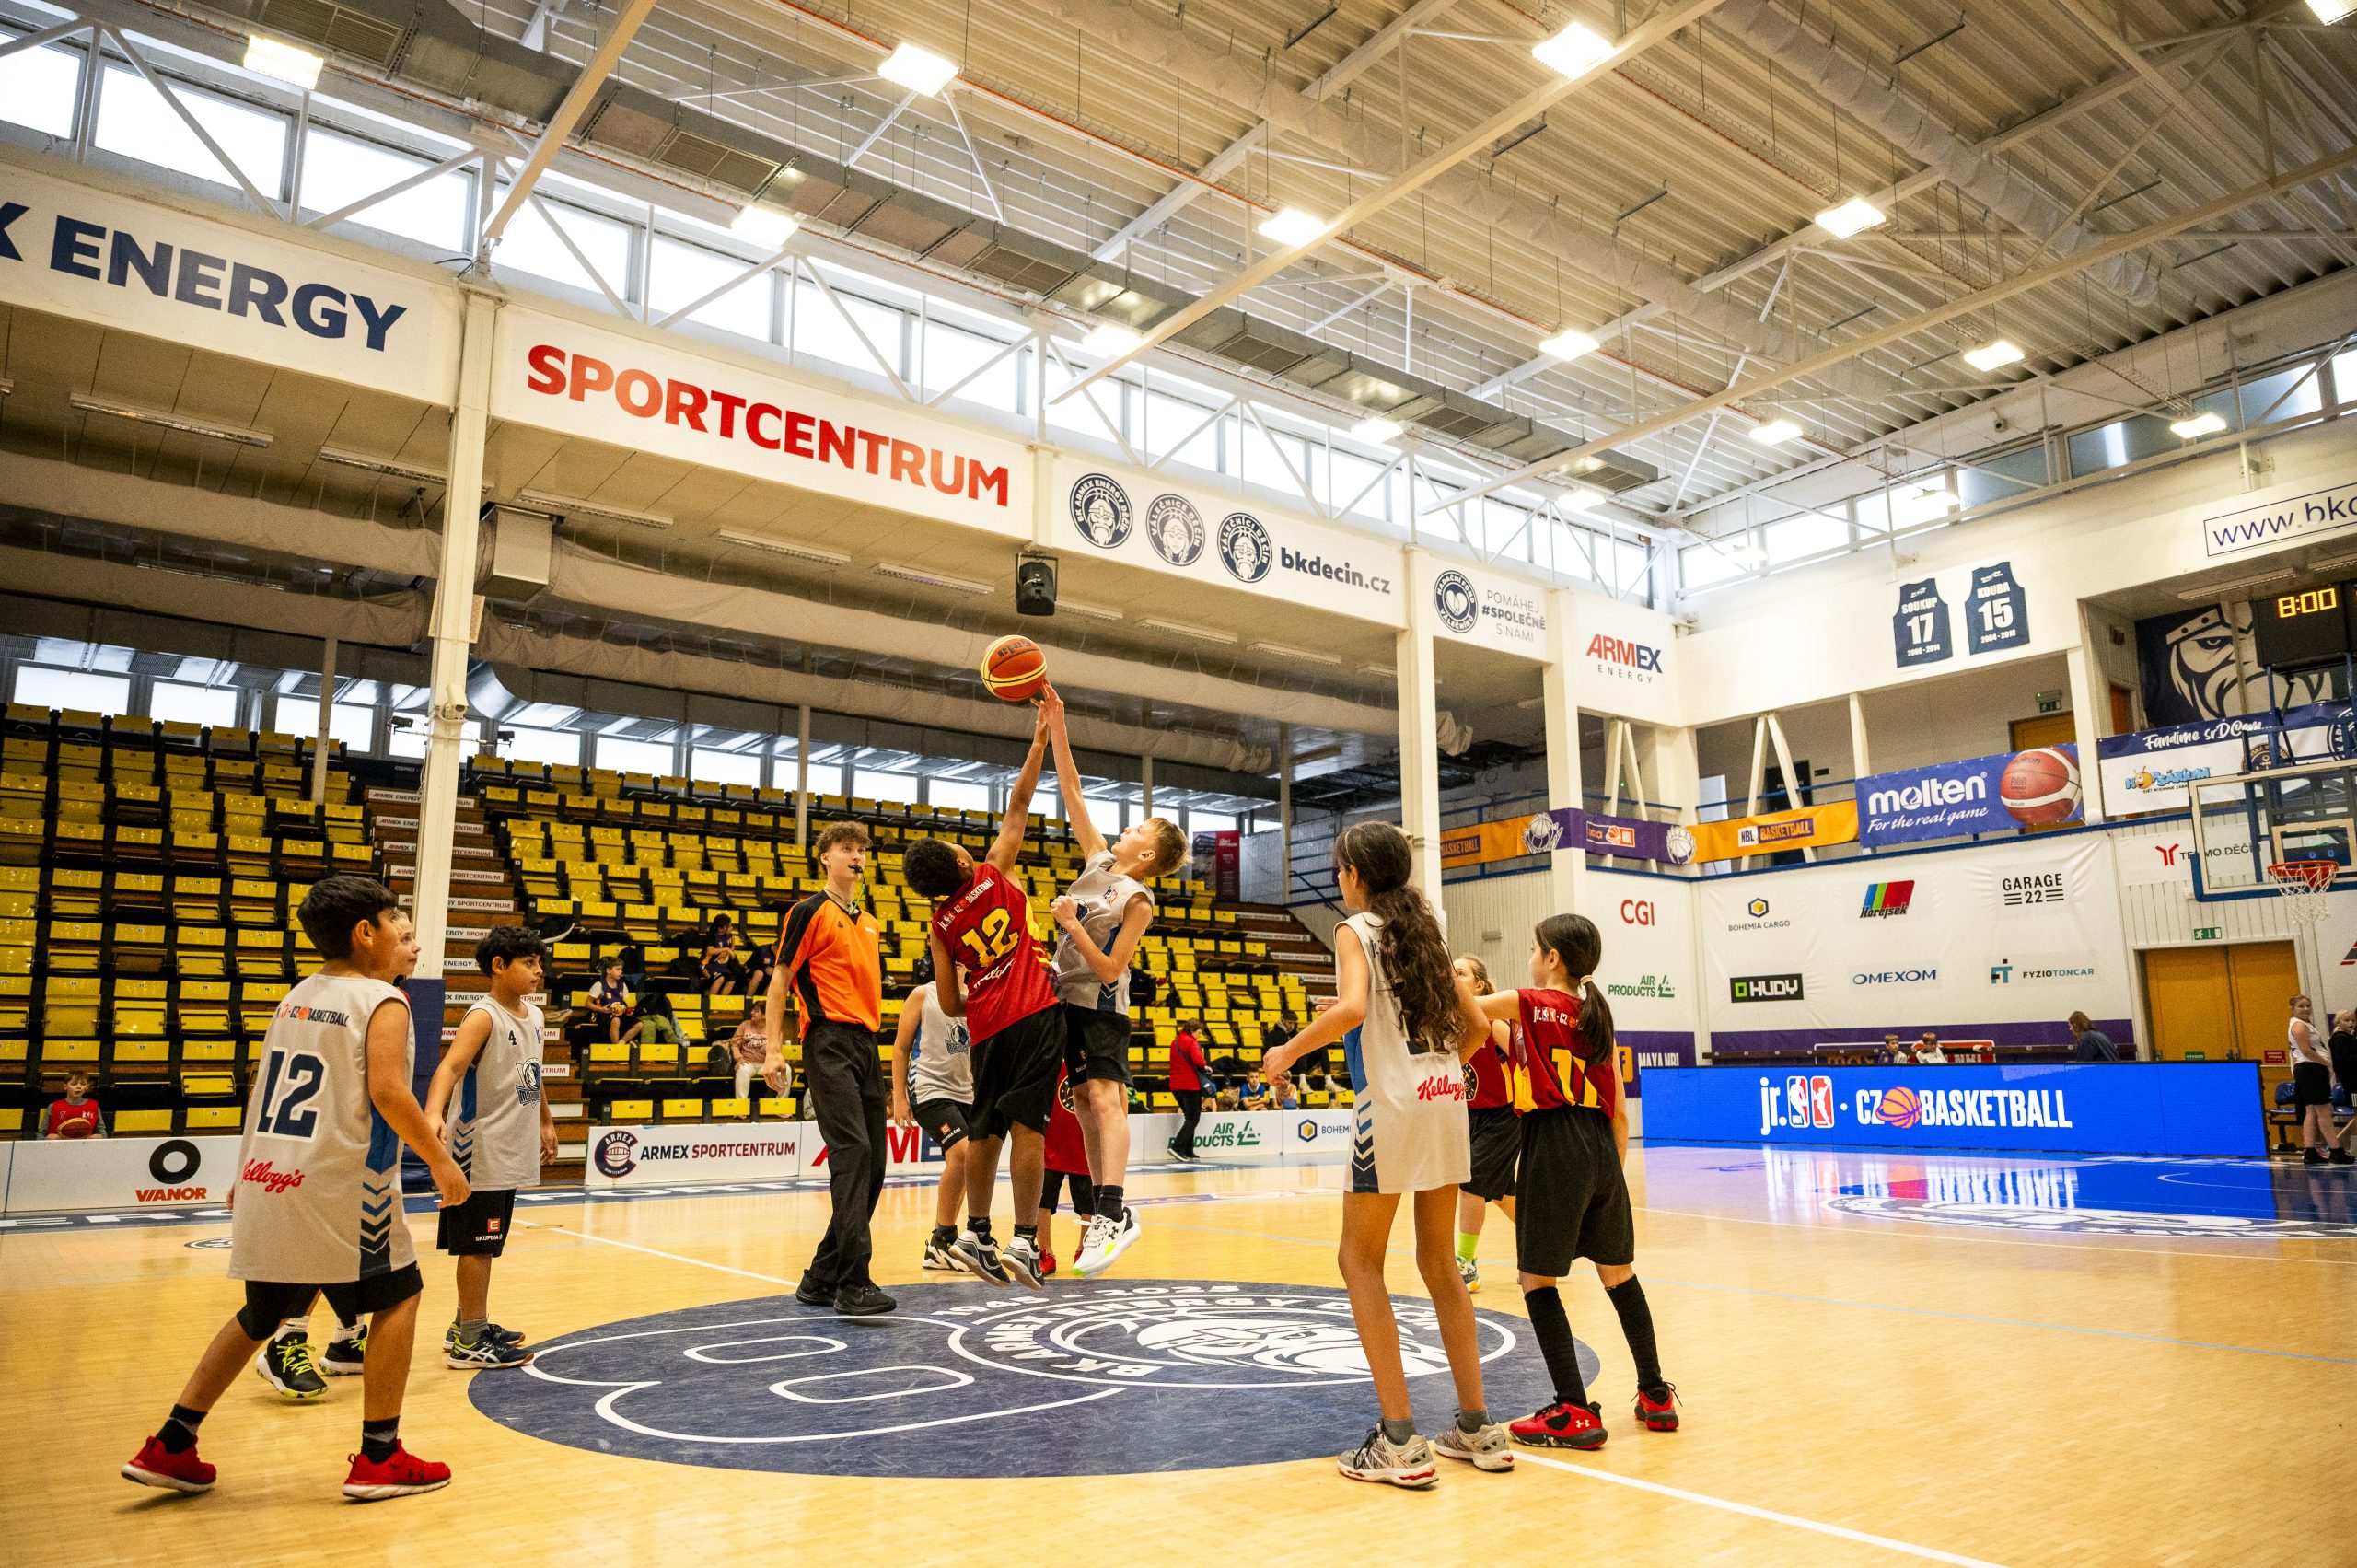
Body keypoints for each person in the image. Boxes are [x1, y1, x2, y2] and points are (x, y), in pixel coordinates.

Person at [123, 875, 467, 1501]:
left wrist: (243, 1170)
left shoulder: (295, 997)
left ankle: (172, 1441)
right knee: (400, 1295)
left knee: (262, 1312)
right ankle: (380, 1455)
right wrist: (441, 1162)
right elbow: (390, 1092)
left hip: (271, 1176)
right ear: (366, 933)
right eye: (394, 924)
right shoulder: (382, 1000)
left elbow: (262, 1091)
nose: (402, 936)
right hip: (340, 1185)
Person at [1261, 821, 1510, 1487]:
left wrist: (1288, 1051)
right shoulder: (1428, 930)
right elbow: (1478, 1024)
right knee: (1439, 1262)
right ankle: (1478, 1426)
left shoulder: (1354, 930)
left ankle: (1400, 1440)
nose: (1338, 878)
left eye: (1339, 868)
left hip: (1391, 1109)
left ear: (1355, 875)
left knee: (1358, 1260)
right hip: (1444, 1098)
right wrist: (1442, 1069)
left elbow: (1351, 1009)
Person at [1459, 912, 1678, 1452]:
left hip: (1553, 1141)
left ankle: (1573, 1410)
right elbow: (1620, 1111)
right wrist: (1610, 1179)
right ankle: (1656, 1395)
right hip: (1602, 1147)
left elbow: (1464, 1007)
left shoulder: (1529, 1002)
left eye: (1535, 949)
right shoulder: (1596, 1016)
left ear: (1552, 958)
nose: (1530, 958)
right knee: (1619, 1275)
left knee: (1536, 1280)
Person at [903, 703, 1063, 1290]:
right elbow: (1020, 803)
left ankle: (974, 1231)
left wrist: (982, 980)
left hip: (987, 1026)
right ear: (961, 859)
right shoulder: (994, 872)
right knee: (1029, 1127)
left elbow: (949, 1003)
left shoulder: (939, 925)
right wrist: (1039, 741)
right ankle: (1023, 1240)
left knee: (984, 1127)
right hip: (1034, 1010)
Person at [1040, 686, 1186, 1277]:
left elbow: (1110, 969)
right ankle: (1108, 1212)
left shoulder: (1137, 899)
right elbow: (1072, 791)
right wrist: (1057, 726)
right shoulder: (1099, 862)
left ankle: (1112, 1208)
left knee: (1103, 1099)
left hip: (1101, 1005)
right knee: (1082, 1107)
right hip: (1063, 1000)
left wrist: (1072, 924)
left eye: (1137, 830)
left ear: (1148, 855)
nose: (1125, 830)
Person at [765, 822, 893, 1317]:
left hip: (866, 1043)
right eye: (846, 849)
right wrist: (774, 1050)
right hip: (827, 1041)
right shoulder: (808, 911)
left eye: (861, 850)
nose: (857, 857)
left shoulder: (870, 921)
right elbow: (781, 980)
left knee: (874, 1164)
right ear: (825, 858)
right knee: (853, 1152)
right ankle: (853, 1282)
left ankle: (821, 1277)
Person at [423, 924, 554, 1370]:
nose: (539, 971)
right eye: (529, 963)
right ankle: (471, 1341)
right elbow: (450, 1067)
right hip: (478, 1148)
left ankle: (466, 1323)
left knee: (488, 1241)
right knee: (477, 1244)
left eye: (540, 962)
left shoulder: (534, 1016)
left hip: (510, 1146)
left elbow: (532, 1072)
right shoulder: (483, 1016)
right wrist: (434, 1113)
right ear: (498, 966)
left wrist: (546, 1121)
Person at [889, 971, 974, 1272]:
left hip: (967, 1091)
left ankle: (942, 1244)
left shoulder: (976, 995)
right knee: (962, 1153)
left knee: (968, 1162)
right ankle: (944, 1238)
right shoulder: (923, 995)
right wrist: (899, 1097)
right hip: (928, 1088)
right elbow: (900, 1047)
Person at [1451, 955, 1519, 1295]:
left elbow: (1529, 1063)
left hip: (1505, 1114)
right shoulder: (1448, 1021)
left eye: (1460, 973)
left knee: (1472, 1183)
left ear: (1479, 985)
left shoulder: (1495, 1024)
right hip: (1471, 1114)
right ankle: (1547, 1245)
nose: (1452, 976)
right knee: (1503, 1195)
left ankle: (1465, 1264)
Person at [1039, 1072, 1097, 1276]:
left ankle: (1084, 1250)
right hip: (1050, 1139)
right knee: (1042, 1201)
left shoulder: (1091, 1059)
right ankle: (1045, 1252)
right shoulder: (1049, 1056)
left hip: (1084, 1142)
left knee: (1089, 1204)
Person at [2288, 993, 2341, 1167]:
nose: (2305, 1009)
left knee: (2311, 1110)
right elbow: (2306, 1050)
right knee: (2324, 1110)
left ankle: (2310, 1150)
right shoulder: (2299, 1026)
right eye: (2301, 1006)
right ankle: (2336, 1150)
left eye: (2308, 1005)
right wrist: (2327, 1063)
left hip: (2309, 1070)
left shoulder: (2305, 1024)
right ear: (2293, 1009)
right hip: (2311, 1069)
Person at [1167, 1018, 1210, 1161]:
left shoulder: (1175, 1042)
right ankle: (1177, 1148)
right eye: (1199, 1033)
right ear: (1192, 1030)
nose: (1199, 1036)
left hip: (1175, 1085)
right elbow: (1198, 1061)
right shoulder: (1192, 1042)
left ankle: (1188, 1150)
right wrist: (1205, 1064)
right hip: (1190, 1085)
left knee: (1189, 1117)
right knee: (1193, 1118)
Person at [728, 996, 775, 1103]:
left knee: (786, 1070)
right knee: (742, 1070)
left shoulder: (773, 1028)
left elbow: (776, 1047)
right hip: (748, 1062)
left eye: (756, 1011)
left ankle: (780, 1104)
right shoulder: (745, 1025)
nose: (752, 1012)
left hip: (765, 1064)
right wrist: (739, 1058)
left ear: (764, 1015)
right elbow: (734, 1044)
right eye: (753, 1010)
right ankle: (741, 1105)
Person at [40, 1070, 106, 1139]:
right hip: (60, 1143)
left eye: (83, 1084)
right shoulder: (54, 1106)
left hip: (85, 1143)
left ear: (87, 1087)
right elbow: (41, 1133)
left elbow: (102, 1131)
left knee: (97, 1137)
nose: (78, 1087)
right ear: (65, 1086)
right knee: (51, 1137)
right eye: (74, 1084)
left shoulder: (94, 1105)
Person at [2329, 1008, 2357, 1162]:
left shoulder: (2348, 1037)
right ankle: (2354, 1148)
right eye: (2346, 1020)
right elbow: (2342, 1061)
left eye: (2353, 1020)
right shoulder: (2340, 1038)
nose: (2350, 1023)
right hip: (2353, 1085)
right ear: (2338, 1022)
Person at [586, 958, 633, 1043]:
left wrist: (626, 1010)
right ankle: (616, 1047)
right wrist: (601, 1009)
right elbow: (588, 1003)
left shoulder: (623, 985)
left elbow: (624, 1003)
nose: (621, 972)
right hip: (603, 1014)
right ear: (608, 971)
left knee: (639, 1024)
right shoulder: (599, 985)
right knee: (616, 1021)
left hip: (619, 1013)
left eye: (621, 969)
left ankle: (620, 1044)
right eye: (618, 969)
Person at [702, 914, 743, 996]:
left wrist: (730, 952)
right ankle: (711, 1002)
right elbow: (710, 951)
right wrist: (726, 949)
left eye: (731, 925)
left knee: (731, 980)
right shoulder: (712, 936)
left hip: (722, 966)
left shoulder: (731, 936)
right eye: (728, 926)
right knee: (720, 978)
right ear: (720, 929)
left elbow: (732, 951)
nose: (731, 928)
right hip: (708, 965)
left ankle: (720, 1001)